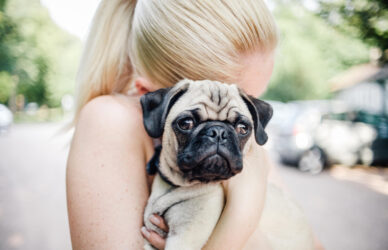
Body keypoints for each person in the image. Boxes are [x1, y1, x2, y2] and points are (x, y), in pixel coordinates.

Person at [66, 0, 318, 249]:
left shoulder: (247, 148)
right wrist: (240, 218)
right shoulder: (111, 120)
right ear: (150, 97)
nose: (224, 136)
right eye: (190, 121)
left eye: (241, 123)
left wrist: (246, 206)